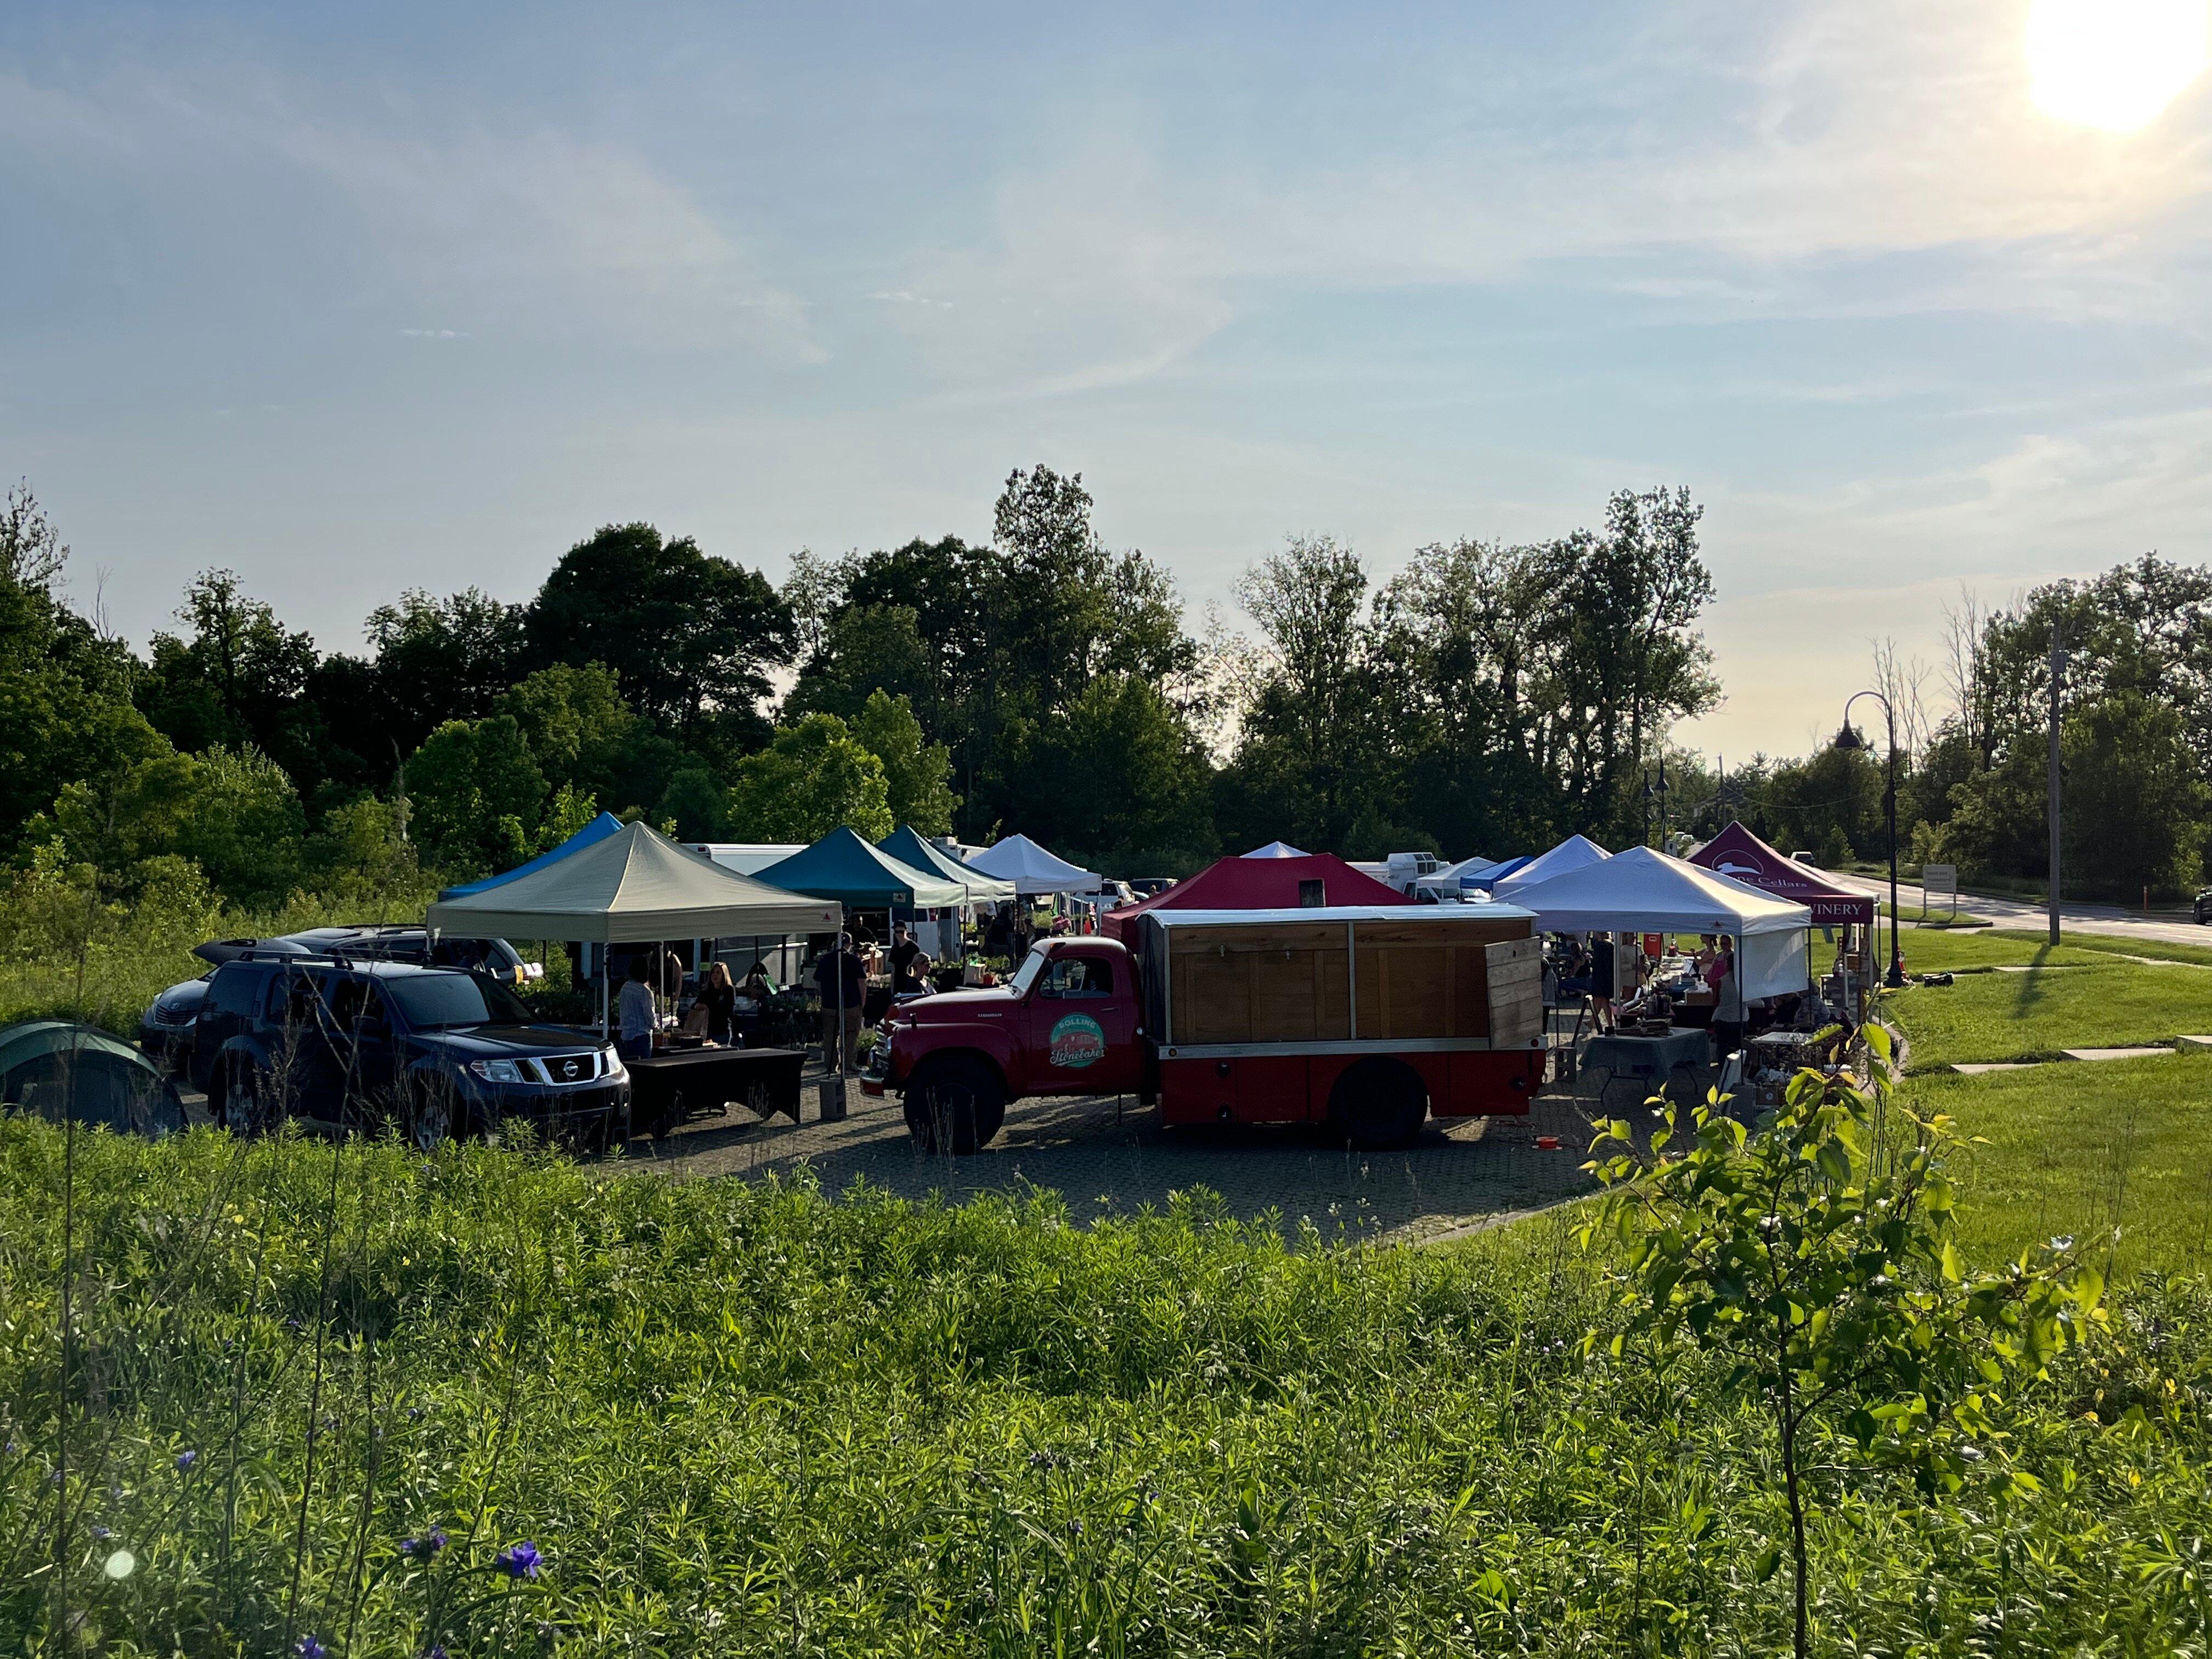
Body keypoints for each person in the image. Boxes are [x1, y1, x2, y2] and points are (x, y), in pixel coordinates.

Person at [812, 933, 867, 1071]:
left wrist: (823, 996)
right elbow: (862, 983)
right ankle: (848, 1064)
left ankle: (830, 1066)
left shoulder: (826, 960)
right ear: (849, 945)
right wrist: (863, 1002)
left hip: (829, 1004)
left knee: (830, 1035)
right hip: (851, 1004)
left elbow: (817, 982)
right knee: (851, 1034)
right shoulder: (854, 961)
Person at [1707, 935, 1746, 1059]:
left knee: (1723, 1050)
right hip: (1741, 1019)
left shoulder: (1721, 982)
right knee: (1740, 1050)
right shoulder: (1745, 981)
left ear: (1727, 965)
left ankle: (1724, 1072)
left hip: (1724, 1020)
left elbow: (1716, 1002)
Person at [616, 957, 658, 1064]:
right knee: (644, 1068)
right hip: (641, 1036)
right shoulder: (645, 991)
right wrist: (656, 1024)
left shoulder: (625, 988)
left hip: (625, 1035)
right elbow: (650, 1017)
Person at [698, 961, 737, 1045]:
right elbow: (696, 1004)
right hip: (708, 1031)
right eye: (713, 972)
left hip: (722, 1031)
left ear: (724, 975)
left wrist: (708, 1006)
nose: (715, 975)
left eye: (718, 973)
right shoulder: (707, 991)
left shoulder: (728, 990)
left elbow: (726, 1010)